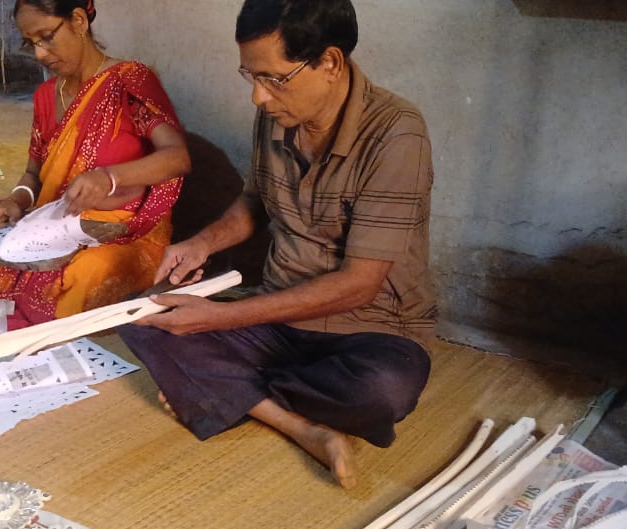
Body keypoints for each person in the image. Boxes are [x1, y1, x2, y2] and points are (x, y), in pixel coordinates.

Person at [117, 0, 437, 490]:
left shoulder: (397, 133)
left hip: (368, 328)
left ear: (329, 63)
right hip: (277, 319)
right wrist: (202, 243)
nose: (258, 98)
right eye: (251, 77)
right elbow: (256, 200)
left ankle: (227, 391)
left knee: (383, 391)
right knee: (141, 315)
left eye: (273, 79)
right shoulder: (278, 113)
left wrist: (219, 319)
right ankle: (303, 426)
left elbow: (360, 285)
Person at [0, 0, 191, 333]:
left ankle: (44, 290)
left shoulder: (128, 80)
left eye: (46, 36)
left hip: (116, 233)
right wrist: (13, 202)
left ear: (78, 20)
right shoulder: (47, 95)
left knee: (90, 271)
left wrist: (109, 178)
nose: (39, 54)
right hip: (48, 226)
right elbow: (33, 174)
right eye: (29, 42)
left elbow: (177, 157)